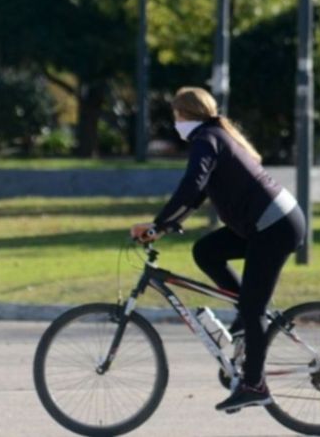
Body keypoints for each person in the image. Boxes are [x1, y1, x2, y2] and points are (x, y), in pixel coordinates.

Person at [130, 87, 305, 413]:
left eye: (175, 116)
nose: (175, 122)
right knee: (206, 251)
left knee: (254, 307)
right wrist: (163, 227)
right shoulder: (211, 137)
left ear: (185, 115)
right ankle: (243, 317)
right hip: (266, 224)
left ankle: (255, 385)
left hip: (276, 227)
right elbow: (196, 197)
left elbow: (191, 185)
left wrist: (157, 225)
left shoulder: (206, 140)